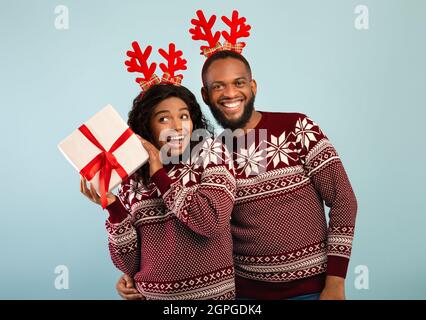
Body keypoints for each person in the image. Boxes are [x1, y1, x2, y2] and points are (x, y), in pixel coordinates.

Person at [117, 11, 357, 300]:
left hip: (313, 289)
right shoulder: (206, 152)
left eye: (239, 83)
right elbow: (188, 226)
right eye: (218, 86)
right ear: (205, 96)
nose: (230, 93)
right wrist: (134, 274)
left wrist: (336, 281)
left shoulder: (296, 127)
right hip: (245, 294)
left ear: (252, 87)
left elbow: (344, 200)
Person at [81, 83, 236, 300]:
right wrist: (114, 208)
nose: (177, 126)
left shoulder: (211, 154)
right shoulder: (131, 177)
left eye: (184, 116)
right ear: (147, 126)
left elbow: (210, 221)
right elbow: (129, 265)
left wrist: (159, 174)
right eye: (164, 119)